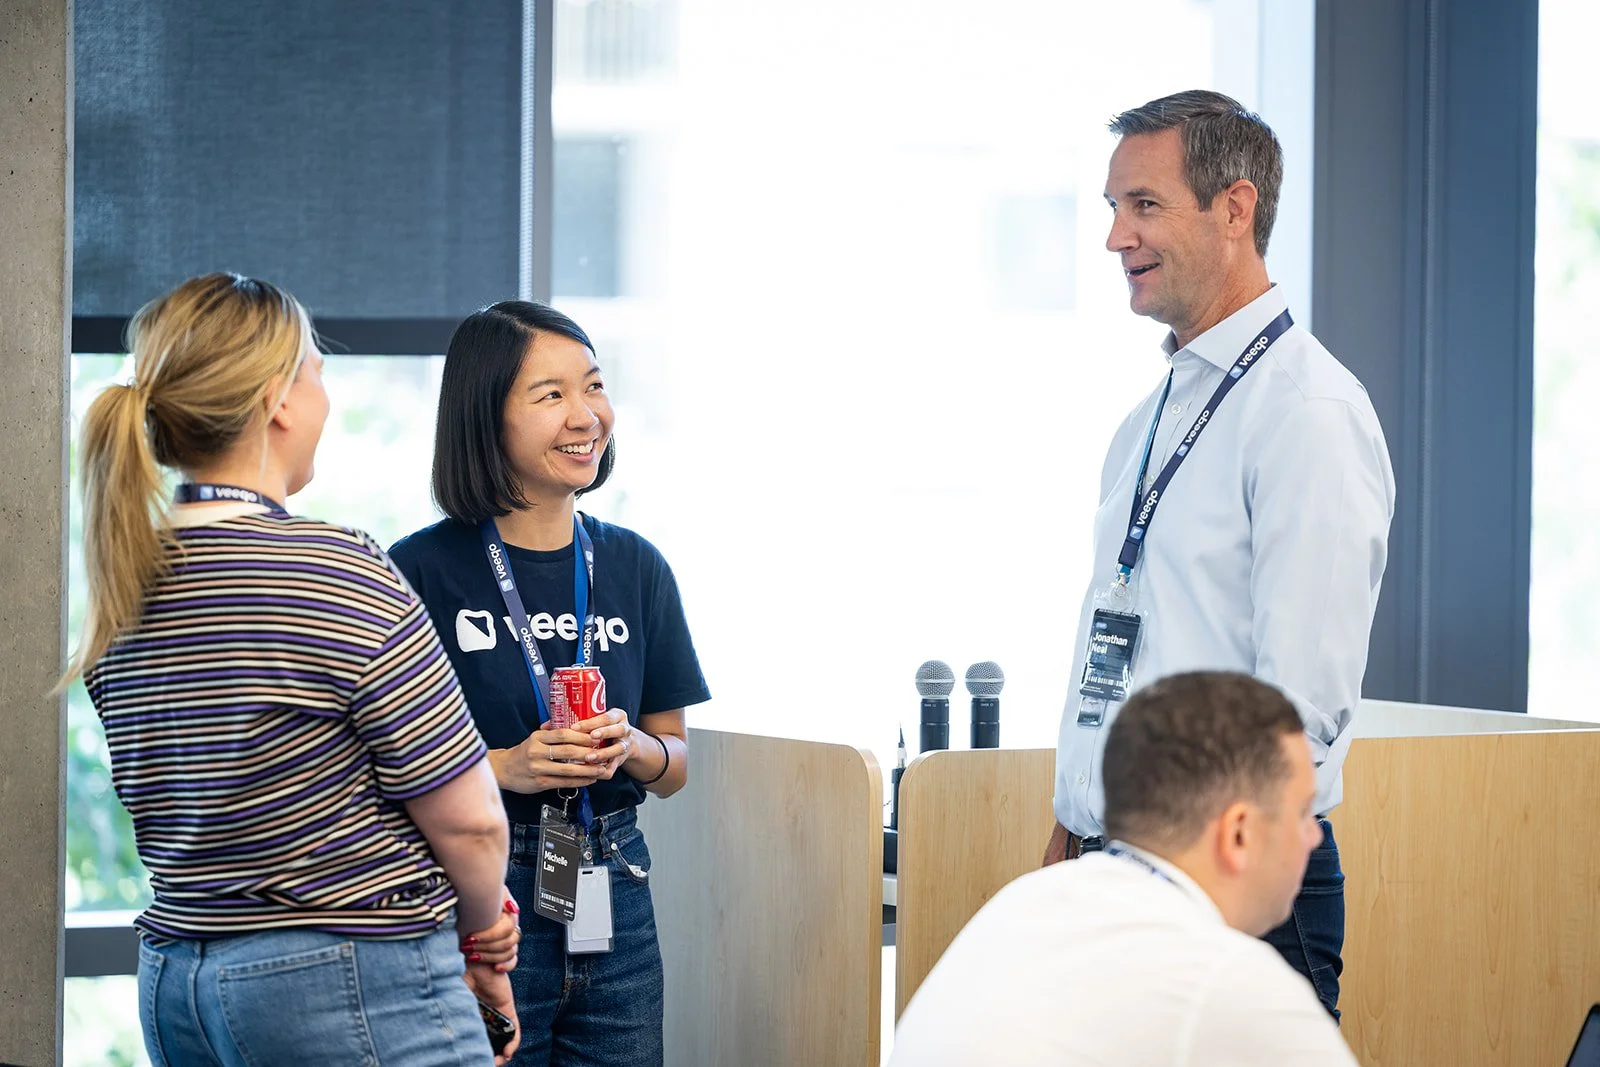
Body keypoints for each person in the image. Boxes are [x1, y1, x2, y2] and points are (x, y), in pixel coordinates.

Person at [65, 273, 525, 1064]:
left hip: (178, 986)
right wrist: (487, 940)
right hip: (345, 980)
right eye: (317, 368)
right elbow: (472, 821)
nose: (326, 393)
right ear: (279, 398)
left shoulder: (124, 584)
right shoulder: (332, 566)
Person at [1043, 90, 1396, 1018]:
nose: (1116, 236)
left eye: (1144, 205)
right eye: (1113, 208)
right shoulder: (1152, 416)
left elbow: (1298, 710)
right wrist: (1073, 824)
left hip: (1229, 894)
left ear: (1235, 210)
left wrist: (1200, 889)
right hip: (1116, 870)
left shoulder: (1306, 413)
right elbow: (1122, 644)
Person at [389, 300, 710, 1066]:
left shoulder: (637, 565)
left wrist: (631, 745)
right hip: (480, 898)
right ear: (485, 416)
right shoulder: (418, 571)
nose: (586, 415)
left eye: (594, 386)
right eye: (551, 394)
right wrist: (505, 766)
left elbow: (675, 764)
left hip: (616, 885)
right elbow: (381, 772)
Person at [893, 672, 1359, 1066]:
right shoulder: (1232, 982)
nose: (1315, 836)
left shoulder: (1020, 906)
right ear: (1238, 833)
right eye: (1302, 812)